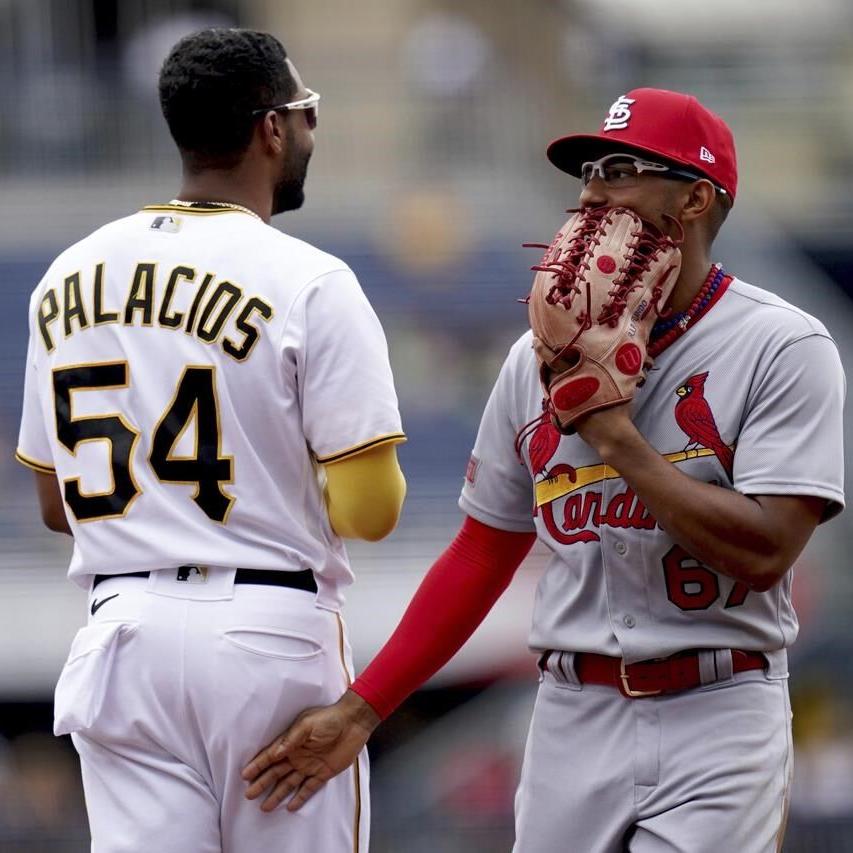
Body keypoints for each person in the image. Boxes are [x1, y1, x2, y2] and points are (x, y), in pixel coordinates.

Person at [241, 88, 846, 853]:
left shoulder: (781, 347)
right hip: (570, 709)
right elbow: (480, 551)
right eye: (588, 172)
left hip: (718, 706)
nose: (592, 192)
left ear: (694, 198)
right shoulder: (533, 360)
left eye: (621, 169)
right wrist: (363, 708)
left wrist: (613, 437)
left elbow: (765, 551)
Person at [15, 28, 405, 853]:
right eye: (305, 114)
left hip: (121, 634)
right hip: (268, 632)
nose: (307, 132)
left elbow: (58, 503)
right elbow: (369, 511)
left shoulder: (67, 275)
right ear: (270, 129)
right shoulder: (311, 278)